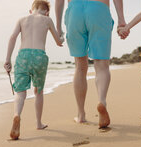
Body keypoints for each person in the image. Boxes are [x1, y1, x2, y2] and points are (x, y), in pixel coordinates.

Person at [55, 0, 128, 128]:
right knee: (102, 65)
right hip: (99, 9)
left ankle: (81, 115)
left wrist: (58, 27)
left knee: (80, 66)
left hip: (75, 11)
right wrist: (121, 19)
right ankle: (102, 101)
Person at [4, 0, 64, 140]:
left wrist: (7, 59)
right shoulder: (47, 20)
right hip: (39, 57)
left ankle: (17, 115)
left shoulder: (22, 19)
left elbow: (12, 37)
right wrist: (61, 36)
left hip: (23, 56)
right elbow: (58, 41)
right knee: (38, 91)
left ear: (30, 11)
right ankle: (38, 123)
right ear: (47, 12)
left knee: (20, 92)